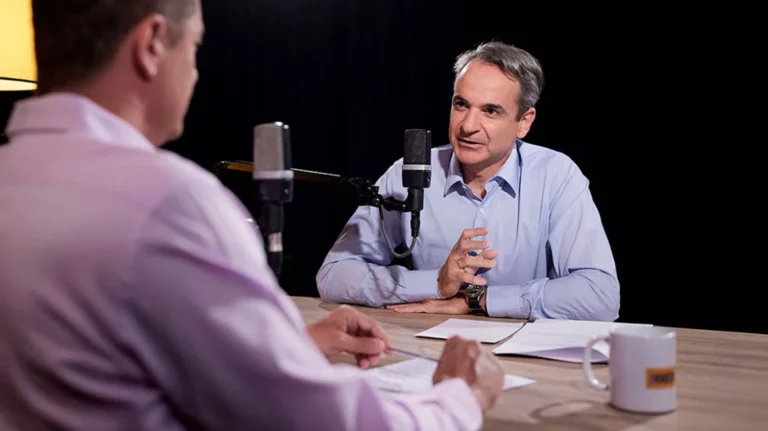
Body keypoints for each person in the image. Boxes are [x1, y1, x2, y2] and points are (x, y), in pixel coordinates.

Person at [0, 1, 505, 430]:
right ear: (152, 44)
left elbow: (98, 361)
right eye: (194, 47)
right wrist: (458, 398)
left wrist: (282, 350)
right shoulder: (169, 202)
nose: (195, 72)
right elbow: (311, 422)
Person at [317, 41, 620, 322]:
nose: (468, 126)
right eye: (461, 104)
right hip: (428, 346)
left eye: (490, 111)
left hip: (523, 352)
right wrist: (437, 283)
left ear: (524, 122)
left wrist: (478, 300)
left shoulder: (556, 175)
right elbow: (334, 275)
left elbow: (600, 295)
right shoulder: (408, 173)